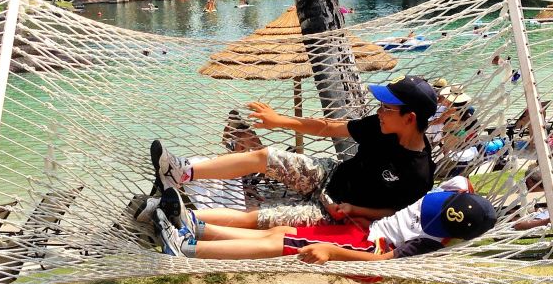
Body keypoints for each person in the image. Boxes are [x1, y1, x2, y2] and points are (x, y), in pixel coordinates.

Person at [149, 76, 438, 230]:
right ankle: (183, 171)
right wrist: (280, 121)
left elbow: (396, 213)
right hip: (328, 173)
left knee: (262, 218)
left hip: (335, 211)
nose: (379, 111)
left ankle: (180, 216)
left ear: (410, 118)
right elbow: (329, 127)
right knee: (266, 157)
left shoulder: (419, 173)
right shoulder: (381, 126)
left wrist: (354, 210)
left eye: (386, 107)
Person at [156, 180, 496, 263]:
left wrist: (333, 252)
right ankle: (199, 228)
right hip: (362, 228)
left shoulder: (432, 242)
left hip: (365, 249)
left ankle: (186, 248)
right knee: (281, 230)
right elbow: (464, 183)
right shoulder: (455, 191)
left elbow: (384, 263)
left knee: (278, 244)